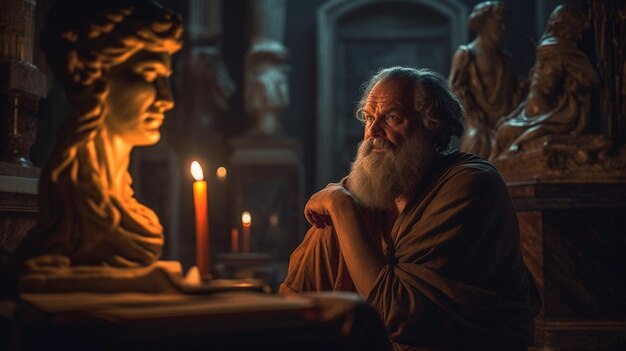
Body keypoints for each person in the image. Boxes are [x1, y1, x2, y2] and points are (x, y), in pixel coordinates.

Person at [280, 67, 541, 350]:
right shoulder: (363, 190)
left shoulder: (472, 184)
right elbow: (293, 301)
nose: (373, 132)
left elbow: (398, 315)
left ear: (431, 125)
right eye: (369, 118)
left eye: (392, 118)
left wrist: (342, 208)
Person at [17, 0, 183, 269]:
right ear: (96, 75)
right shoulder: (77, 214)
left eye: (165, 79)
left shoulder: (128, 214)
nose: (167, 99)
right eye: (149, 75)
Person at [490, 5, 598, 159]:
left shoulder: (562, 49)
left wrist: (574, 84)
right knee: (502, 131)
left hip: (548, 111)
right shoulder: (552, 45)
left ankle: (515, 147)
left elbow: (590, 78)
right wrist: (512, 114)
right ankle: (494, 166)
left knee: (526, 131)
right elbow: (533, 89)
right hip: (531, 107)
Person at [449, 1, 524, 158]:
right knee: (478, 141)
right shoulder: (466, 55)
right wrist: (473, 118)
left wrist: (524, 86)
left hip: (504, 120)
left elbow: (513, 95)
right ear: (483, 23)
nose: (503, 28)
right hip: (478, 123)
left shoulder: (506, 60)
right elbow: (454, 90)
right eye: (498, 23)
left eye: (505, 23)